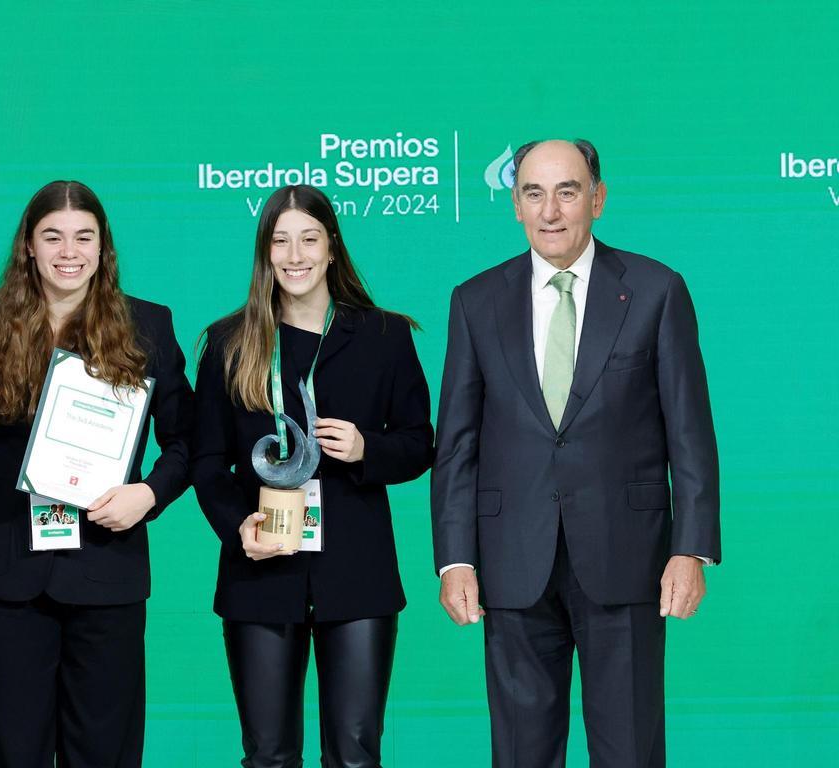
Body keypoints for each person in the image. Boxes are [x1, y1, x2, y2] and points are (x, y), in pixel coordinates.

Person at [431, 139, 721, 766]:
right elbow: (456, 443)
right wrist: (455, 559)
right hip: (512, 563)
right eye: (533, 193)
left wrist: (690, 549)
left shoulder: (656, 290)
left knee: (630, 751)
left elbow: (691, 434)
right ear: (515, 204)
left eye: (567, 192)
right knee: (522, 753)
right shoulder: (475, 300)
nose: (550, 211)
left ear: (598, 198)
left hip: (628, 557)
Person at [0, 180, 192, 767]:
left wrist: (148, 494)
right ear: (29, 245)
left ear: (103, 246)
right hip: (8, 574)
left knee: (104, 753)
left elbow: (189, 439)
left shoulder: (148, 324)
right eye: (53, 237)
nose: (69, 252)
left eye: (83, 237)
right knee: (8, 753)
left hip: (107, 569)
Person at [192, 184, 433, 767]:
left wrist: (366, 448)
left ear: (331, 248)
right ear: (265, 252)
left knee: (355, 756)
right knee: (269, 757)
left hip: (357, 574)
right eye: (280, 241)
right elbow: (206, 461)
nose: (295, 255)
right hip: (260, 572)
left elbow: (419, 443)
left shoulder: (384, 336)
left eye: (309, 239)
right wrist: (237, 528)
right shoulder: (229, 342)